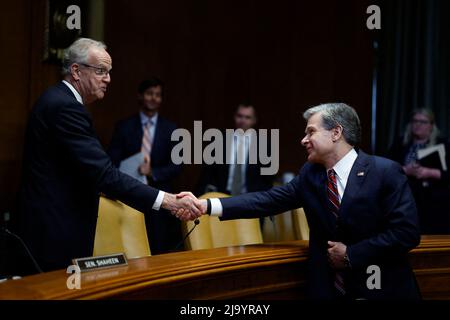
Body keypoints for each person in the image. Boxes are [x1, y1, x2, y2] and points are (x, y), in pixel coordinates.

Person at [179, 103, 421, 300]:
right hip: (327, 288)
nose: (303, 140)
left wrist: (352, 254)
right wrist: (206, 206)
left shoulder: (384, 171)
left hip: (380, 285)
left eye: (311, 131)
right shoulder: (311, 173)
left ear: (336, 133)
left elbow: (406, 233)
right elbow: (268, 200)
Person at [17, 38, 200, 273]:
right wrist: (168, 201)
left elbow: (79, 169)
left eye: (109, 72)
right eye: (101, 71)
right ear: (76, 71)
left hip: (51, 227)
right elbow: (103, 173)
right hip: (51, 232)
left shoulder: (60, 100)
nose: (108, 79)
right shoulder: (65, 107)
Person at [108, 77, 183, 254]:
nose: (153, 98)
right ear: (140, 96)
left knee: (158, 247)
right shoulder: (124, 126)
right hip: (129, 196)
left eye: (157, 95)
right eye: (149, 93)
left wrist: (153, 172)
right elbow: (112, 161)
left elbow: (177, 166)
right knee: (129, 246)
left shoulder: (172, 129)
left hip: (160, 198)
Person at [387, 108, 450, 234]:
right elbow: (387, 169)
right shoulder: (400, 144)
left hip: (434, 202)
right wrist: (405, 170)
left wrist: (428, 172)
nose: (418, 125)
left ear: (431, 126)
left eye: (423, 122)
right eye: (415, 121)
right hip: (405, 199)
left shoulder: (443, 144)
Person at [196, 103, 275, 196]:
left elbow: (267, 180)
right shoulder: (219, 141)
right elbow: (207, 175)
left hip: (251, 199)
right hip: (221, 196)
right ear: (234, 117)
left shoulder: (264, 145)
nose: (242, 120)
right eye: (239, 116)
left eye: (247, 117)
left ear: (254, 120)